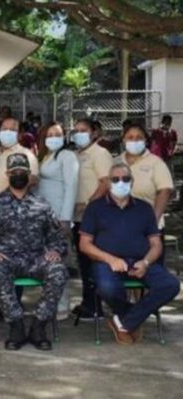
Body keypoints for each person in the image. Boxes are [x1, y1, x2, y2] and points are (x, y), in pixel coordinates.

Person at [79, 163, 180, 344]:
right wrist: (111, 259)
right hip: (106, 262)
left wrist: (146, 263)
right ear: (108, 182)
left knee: (170, 285)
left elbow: (156, 244)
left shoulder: (144, 208)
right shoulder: (95, 208)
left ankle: (125, 321)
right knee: (108, 288)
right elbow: (85, 245)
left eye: (125, 179)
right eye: (115, 179)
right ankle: (131, 316)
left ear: (132, 182)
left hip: (140, 261)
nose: (121, 183)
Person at [0, 154, 68, 351]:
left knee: (58, 271)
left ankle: (39, 326)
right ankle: (16, 327)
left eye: (22, 172)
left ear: (29, 176)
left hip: (36, 258)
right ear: (7, 174)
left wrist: (55, 250)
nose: (18, 175)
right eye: (14, 172)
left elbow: (57, 236)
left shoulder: (42, 205)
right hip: (6, 258)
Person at [35, 122, 80, 320]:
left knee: (60, 260)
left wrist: (65, 219)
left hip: (59, 215)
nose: (54, 137)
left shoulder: (67, 156)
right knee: (47, 260)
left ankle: (62, 304)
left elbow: (72, 187)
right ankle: (50, 300)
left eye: (58, 134)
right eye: (50, 134)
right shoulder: (45, 156)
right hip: (43, 215)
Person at [72, 118, 113, 320]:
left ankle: (96, 306)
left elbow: (106, 182)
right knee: (84, 263)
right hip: (78, 217)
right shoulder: (76, 155)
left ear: (94, 133)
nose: (79, 134)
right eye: (76, 130)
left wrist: (89, 204)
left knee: (93, 260)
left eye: (84, 130)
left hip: (94, 216)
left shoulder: (100, 153)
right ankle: (88, 302)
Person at [118, 124, 174, 228]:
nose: (134, 141)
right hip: (120, 225)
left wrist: (152, 221)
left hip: (147, 225)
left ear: (145, 140)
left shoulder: (156, 162)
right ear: (123, 140)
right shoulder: (115, 163)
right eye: (130, 137)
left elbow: (165, 191)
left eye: (139, 138)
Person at [0, 117, 39, 198]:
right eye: (4, 129)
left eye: (12, 130)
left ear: (20, 135)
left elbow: (33, 180)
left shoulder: (26, 155)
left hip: (13, 206)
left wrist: (3, 194)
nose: (7, 132)